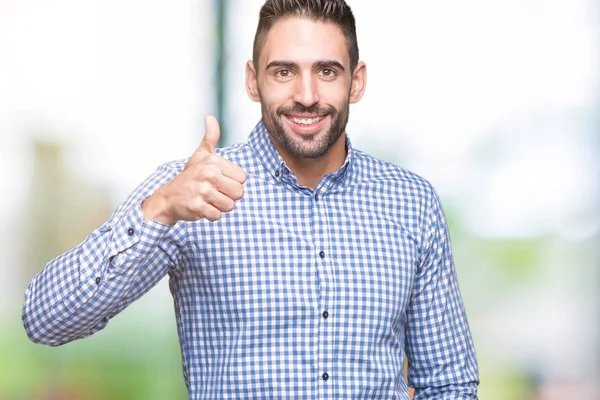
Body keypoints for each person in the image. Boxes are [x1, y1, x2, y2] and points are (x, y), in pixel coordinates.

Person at [22, 0, 479, 398]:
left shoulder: (410, 202)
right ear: (252, 80)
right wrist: (159, 211)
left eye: (327, 71)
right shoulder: (190, 190)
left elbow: (449, 384)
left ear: (356, 82)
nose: (306, 95)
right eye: (284, 72)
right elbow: (45, 319)